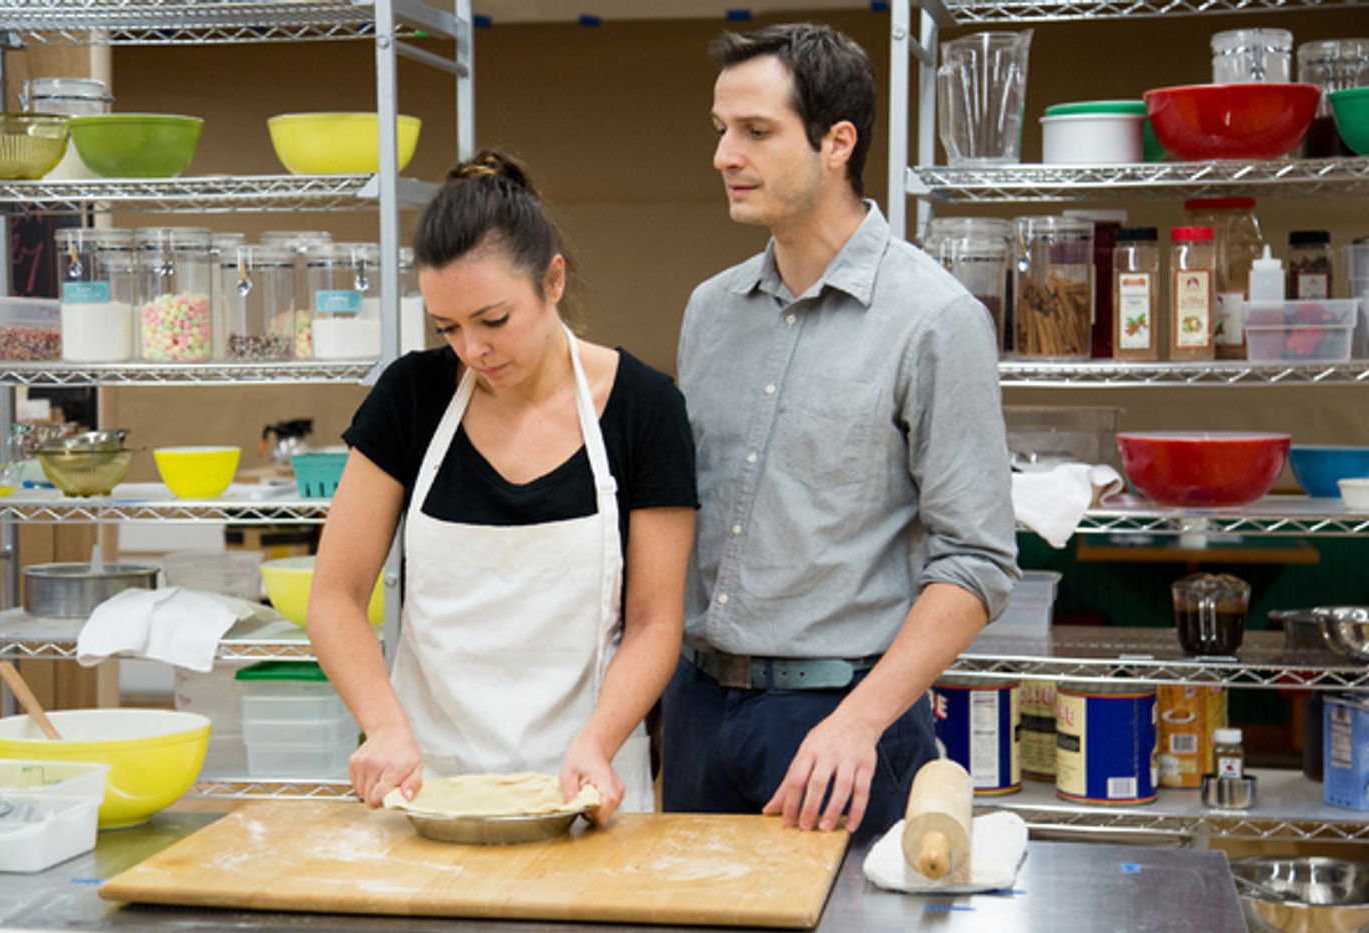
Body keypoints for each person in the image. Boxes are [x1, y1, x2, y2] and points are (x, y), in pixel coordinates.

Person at [664, 23, 1019, 837]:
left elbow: (979, 562)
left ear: (837, 142)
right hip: (695, 712)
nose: (724, 154)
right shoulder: (709, 312)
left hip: (841, 724)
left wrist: (861, 720)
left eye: (756, 131)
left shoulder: (935, 319)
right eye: (721, 130)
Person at [307, 150, 697, 822]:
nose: (472, 350)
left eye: (493, 320)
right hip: (427, 786)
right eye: (448, 328)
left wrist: (599, 741)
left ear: (552, 280)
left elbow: (656, 622)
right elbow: (335, 595)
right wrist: (384, 726)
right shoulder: (411, 398)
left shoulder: (644, 408)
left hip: (585, 784)